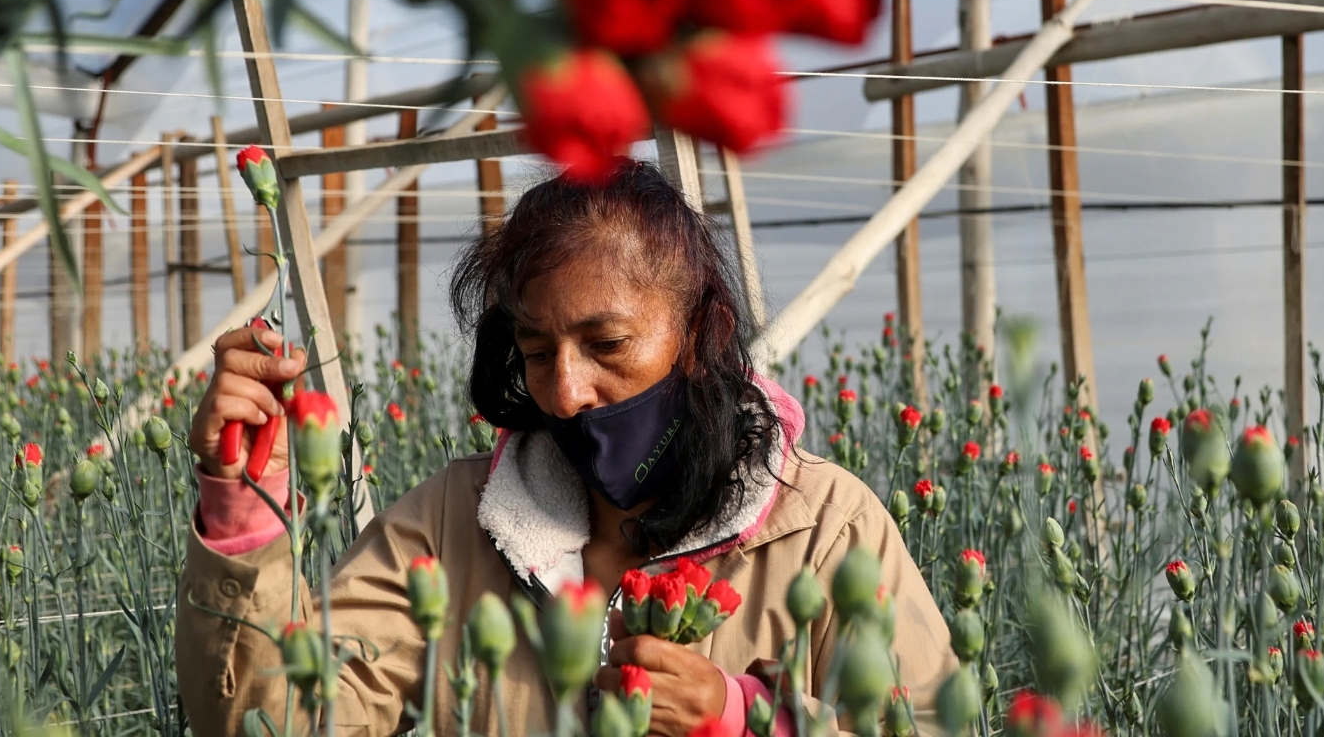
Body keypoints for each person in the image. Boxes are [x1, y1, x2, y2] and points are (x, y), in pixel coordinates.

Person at [176, 160, 952, 736]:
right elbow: (273, 724)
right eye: (538, 350)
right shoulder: (453, 526)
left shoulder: (825, 530)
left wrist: (743, 717)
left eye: (606, 343)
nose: (566, 392)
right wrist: (250, 505)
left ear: (697, 337)